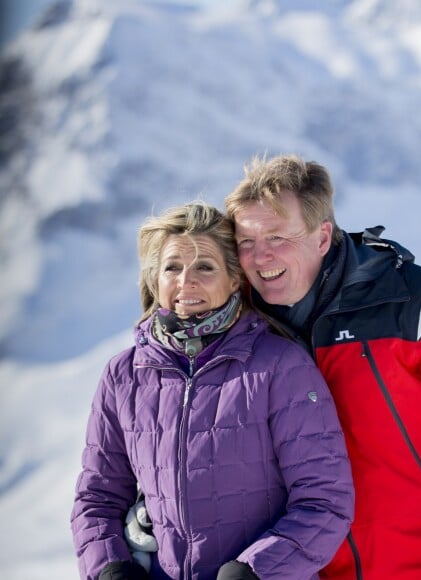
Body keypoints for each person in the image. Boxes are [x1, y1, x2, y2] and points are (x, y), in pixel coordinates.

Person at [221, 154, 421, 579]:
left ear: (322, 237)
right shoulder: (235, 322)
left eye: (277, 237)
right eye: (246, 242)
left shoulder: (414, 302)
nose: (260, 257)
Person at [70, 201, 354, 580]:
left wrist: (254, 572)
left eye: (205, 266)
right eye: (172, 267)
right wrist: (110, 569)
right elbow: (97, 499)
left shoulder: (279, 366)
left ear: (235, 278)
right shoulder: (124, 376)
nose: (186, 281)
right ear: (156, 278)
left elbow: (325, 501)